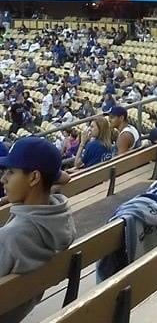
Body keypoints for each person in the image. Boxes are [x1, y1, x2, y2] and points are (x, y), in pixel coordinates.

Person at [0, 137, 76, 323]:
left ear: (34, 177)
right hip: (21, 306)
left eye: (10, 172)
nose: (3, 179)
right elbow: (62, 177)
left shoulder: (12, 236)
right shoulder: (61, 216)